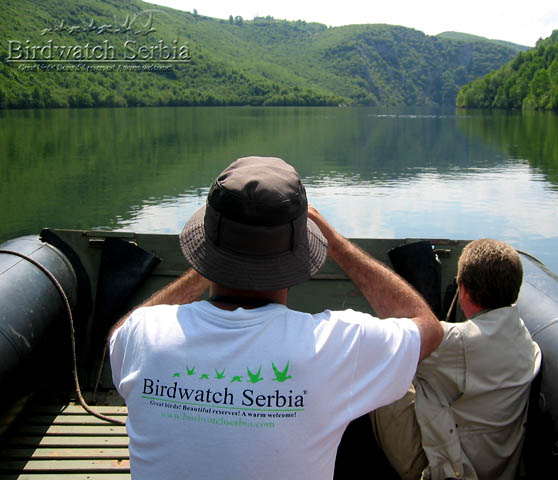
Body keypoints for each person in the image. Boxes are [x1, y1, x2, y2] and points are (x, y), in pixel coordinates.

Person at [108, 156, 443, 480]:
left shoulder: (143, 335)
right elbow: (427, 328)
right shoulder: (333, 345)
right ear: (299, 254)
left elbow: (117, 337)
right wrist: (335, 243)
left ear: (208, 246)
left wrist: (212, 265)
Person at [371, 238, 542, 480]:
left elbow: (388, 345)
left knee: (382, 371)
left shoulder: (457, 343)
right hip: (496, 468)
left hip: (449, 472)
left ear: (462, 290)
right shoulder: (524, 339)